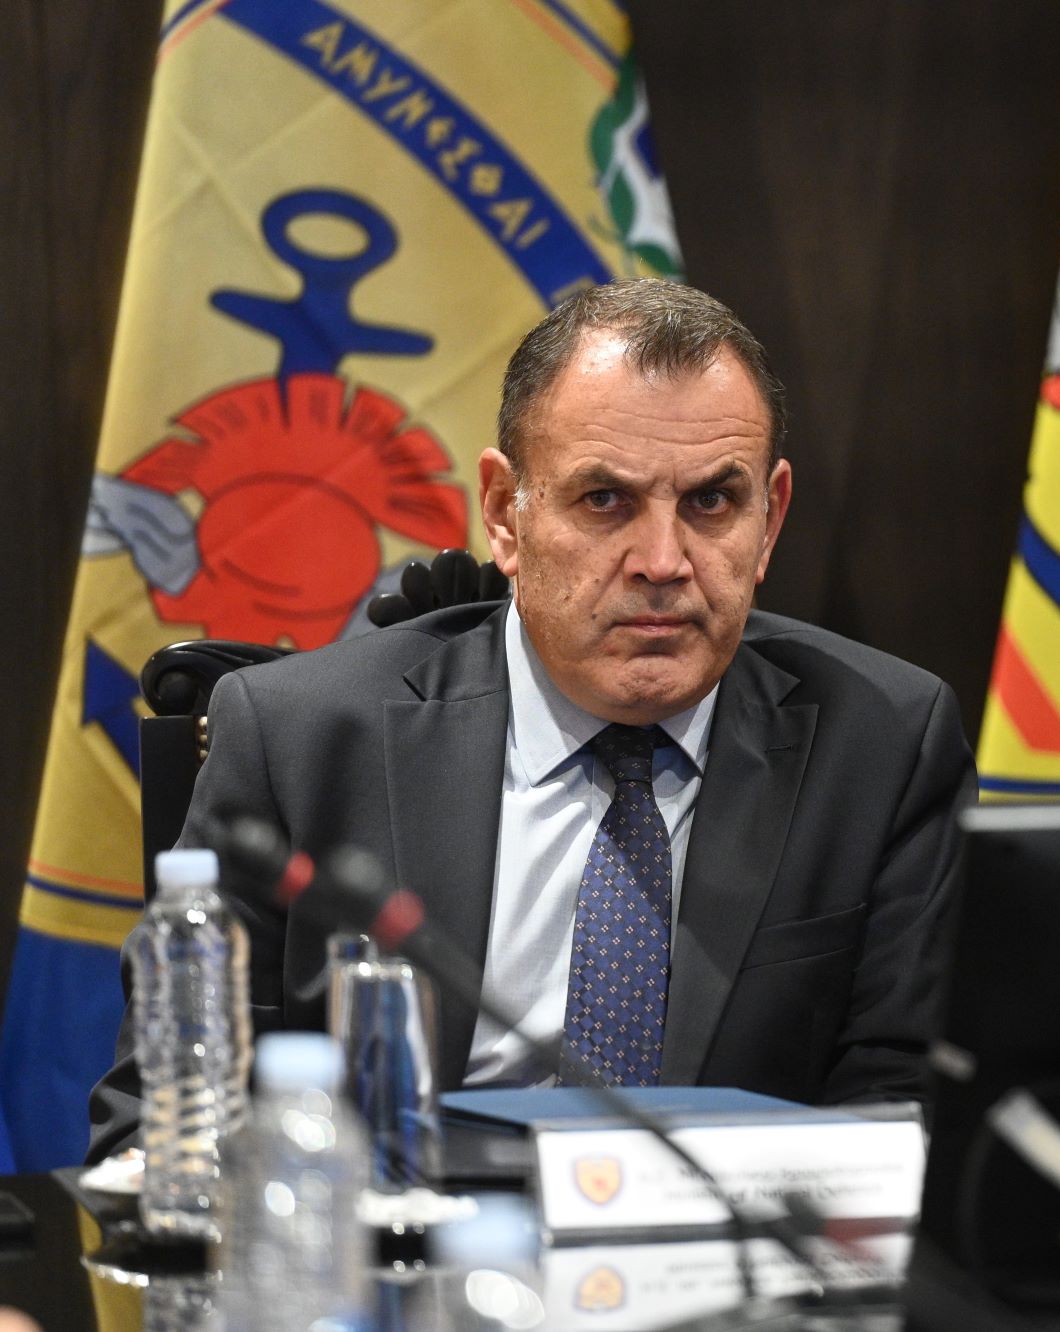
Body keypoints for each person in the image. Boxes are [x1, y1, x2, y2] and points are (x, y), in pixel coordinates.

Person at [89, 280, 973, 1157]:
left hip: (732, 1237)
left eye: (711, 502)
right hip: (397, 1229)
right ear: (504, 512)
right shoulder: (301, 738)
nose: (663, 561)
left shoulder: (884, 743)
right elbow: (169, 1121)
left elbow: (903, 1112)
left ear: (770, 518)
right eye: (605, 500)